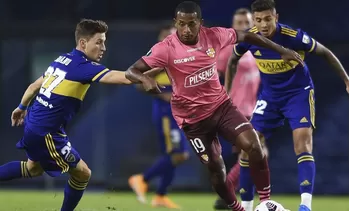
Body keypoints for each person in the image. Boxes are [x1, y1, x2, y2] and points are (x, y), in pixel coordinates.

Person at [125, 1, 304, 211]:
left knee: (254, 145)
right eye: (181, 24)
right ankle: (237, 208)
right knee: (217, 170)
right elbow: (131, 71)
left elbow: (247, 36)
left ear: (200, 23)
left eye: (192, 24)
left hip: (221, 106)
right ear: (176, 22)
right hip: (193, 120)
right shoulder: (166, 48)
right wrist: (145, 80)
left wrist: (281, 49)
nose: (187, 29)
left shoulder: (214, 35)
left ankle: (266, 202)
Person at [0, 19, 156, 211]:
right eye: (98, 42)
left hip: (35, 122)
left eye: (104, 42)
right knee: (83, 173)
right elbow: (124, 78)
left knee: (33, 168)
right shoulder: (83, 66)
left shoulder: (61, 60)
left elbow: (33, 87)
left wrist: (21, 107)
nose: (103, 47)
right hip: (46, 132)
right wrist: (148, 73)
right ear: (83, 43)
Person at [227, 1, 349, 211]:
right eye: (258, 20)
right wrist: (227, 93)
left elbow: (325, 52)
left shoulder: (294, 36)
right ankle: (246, 206)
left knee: (302, 144)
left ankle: (305, 206)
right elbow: (232, 60)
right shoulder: (249, 37)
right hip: (270, 97)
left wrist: (348, 82)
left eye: (267, 19)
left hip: (297, 94)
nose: (263, 24)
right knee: (249, 148)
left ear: (276, 17)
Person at [128, 25, 189, 209]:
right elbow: (137, 83)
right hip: (166, 114)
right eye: (168, 37)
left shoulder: (181, 59)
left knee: (170, 155)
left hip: (179, 113)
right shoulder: (158, 61)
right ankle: (141, 179)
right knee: (180, 154)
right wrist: (162, 94)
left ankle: (161, 195)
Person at [214, 8, 261, 211]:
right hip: (236, 109)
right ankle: (229, 193)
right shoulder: (228, 51)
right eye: (239, 23)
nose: (243, 26)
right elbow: (213, 76)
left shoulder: (256, 48)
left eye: (247, 22)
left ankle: (229, 196)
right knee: (255, 153)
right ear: (233, 26)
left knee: (251, 155)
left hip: (254, 109)